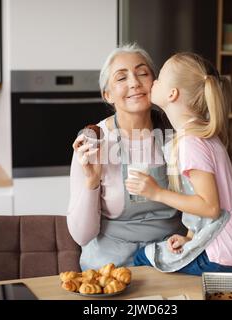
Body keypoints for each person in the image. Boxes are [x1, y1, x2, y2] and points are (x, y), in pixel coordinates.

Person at [126, 52, 232, 275]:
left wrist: (156, 193)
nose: (154, 81)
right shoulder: (203, 135)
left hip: (225, 256)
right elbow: (213, 202)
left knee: (142, 257)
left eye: (160, 78)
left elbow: (210, 207)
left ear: (173, 94)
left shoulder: (191, 142)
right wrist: (190, 239)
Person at [67, 44, 186, 270]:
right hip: (112, 265)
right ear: (108, 94)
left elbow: (206, 202)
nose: (134, 82)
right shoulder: (93, 144)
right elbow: (82, 236)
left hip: (173, 256)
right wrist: (92, 181)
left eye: (142, 73)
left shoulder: (177, 135)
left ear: (156, 84)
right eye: (121, 78)